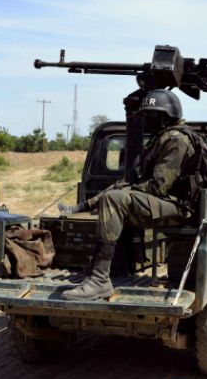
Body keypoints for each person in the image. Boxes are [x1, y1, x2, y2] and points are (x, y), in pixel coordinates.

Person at [57, 89, 197, 300]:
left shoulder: (177, 140)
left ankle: (99, 280)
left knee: (115, 199)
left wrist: (128, 190)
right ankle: (97, 266)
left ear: (163, 116)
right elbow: (139, 181)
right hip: (165, 201)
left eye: (150, 116)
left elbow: (159, 186)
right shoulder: (163, 137)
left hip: (178, 206)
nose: (146, 122)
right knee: (117, 191)